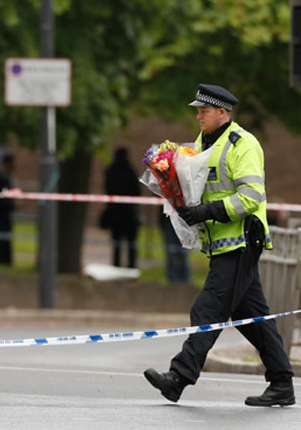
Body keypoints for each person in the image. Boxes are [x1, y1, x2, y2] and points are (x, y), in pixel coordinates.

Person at [144, 84, 295, 407]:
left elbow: (252, 197)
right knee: (255, 319)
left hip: (241, 240)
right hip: (221, 244)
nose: (198, 115)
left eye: (204, 111)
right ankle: (282, 382)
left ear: (222, 113)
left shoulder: (243, 144)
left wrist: (206, 211)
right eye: (197, 110)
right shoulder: (203, 142)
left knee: (207, 309)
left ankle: (178, 378)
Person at [101, 147, 140, 268]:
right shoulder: (130, 171)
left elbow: (107, 190)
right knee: (131, 244)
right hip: (129, 213)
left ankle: (116, 266)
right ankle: (131, 267)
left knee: (116, 243)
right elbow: (137, 191)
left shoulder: (110, 171)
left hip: (115, 213)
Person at [158, 210, 191, 284]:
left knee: (183, 253)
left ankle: (185, 281)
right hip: (168, 221)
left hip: (183, 221)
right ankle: (172, 281)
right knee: (171, 253)